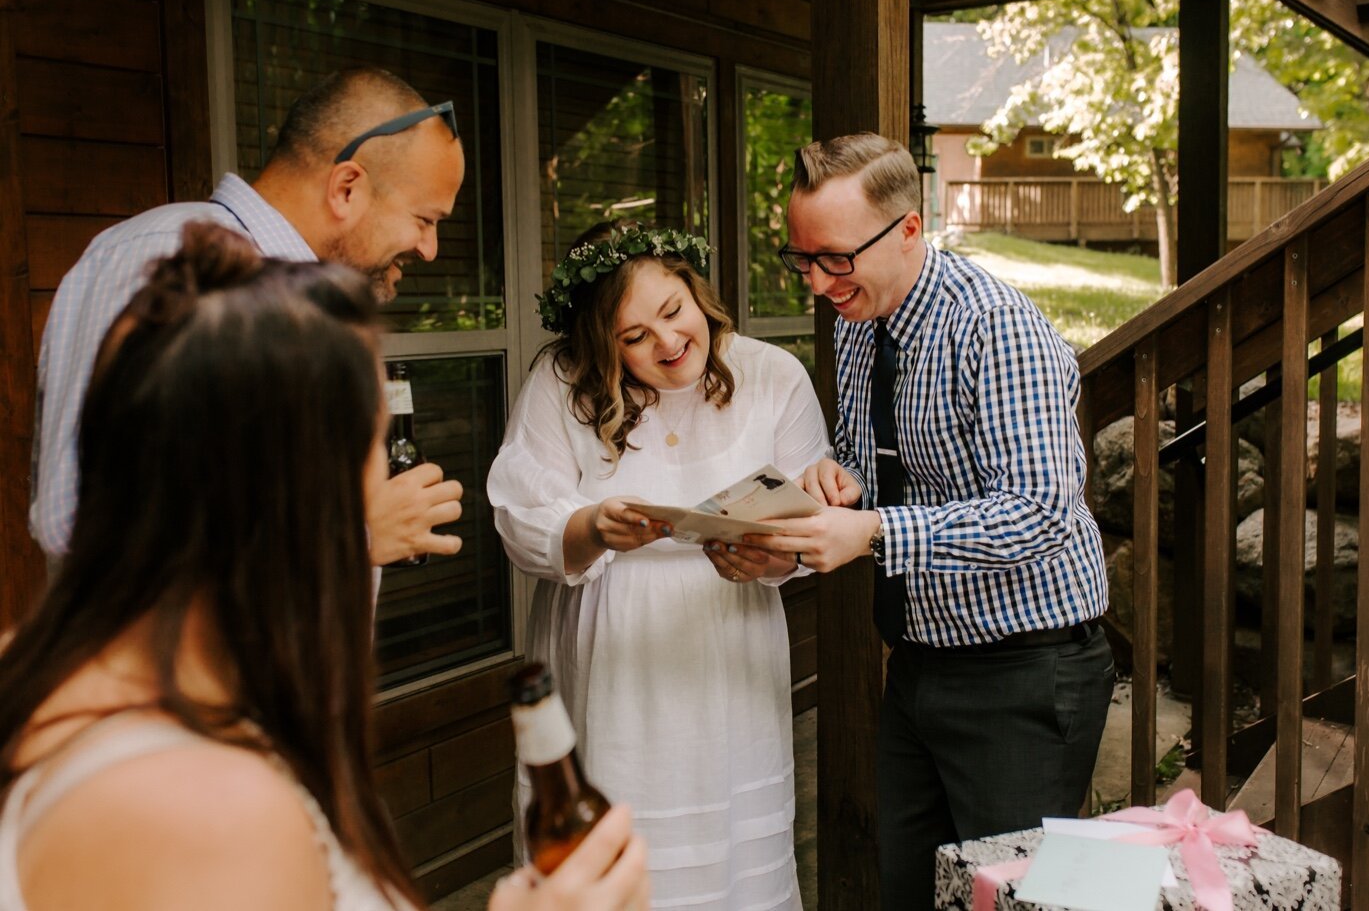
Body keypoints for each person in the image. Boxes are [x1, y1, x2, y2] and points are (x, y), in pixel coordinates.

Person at [0, 224, 649, 911]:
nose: (395, 468)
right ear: (297, 489)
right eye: (377, 439)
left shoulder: (37, 670)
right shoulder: (205, 811)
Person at [745, 134, 1114, 910]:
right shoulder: (857, 320)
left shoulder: (994, 326)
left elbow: (1041, 508)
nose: (817, 282)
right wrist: (835, 477)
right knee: (910, 893)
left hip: (1026, 672)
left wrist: (878, 531)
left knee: (1012, 903)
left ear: (909, 229)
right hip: (919, 661)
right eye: (802, 258)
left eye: (834, 258)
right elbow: (870, 458)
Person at [487, 221, 829, 910]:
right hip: (614, 655)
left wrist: (767, 556)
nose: (669, 344)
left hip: (729, 645)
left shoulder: (772, 375)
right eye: (633, 337)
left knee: (730, 852)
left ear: (696, 290)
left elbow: (811, 521)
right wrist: (592, 527)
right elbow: (520, 519)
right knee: (618, 839)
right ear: (598, 345)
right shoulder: (562, 385)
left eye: (673, 312)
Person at [29, 66, 465, 570]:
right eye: (425, 220)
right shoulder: (167, 262)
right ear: (347, 187)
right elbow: (90, 522)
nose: (430, 250)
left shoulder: (316, 306)